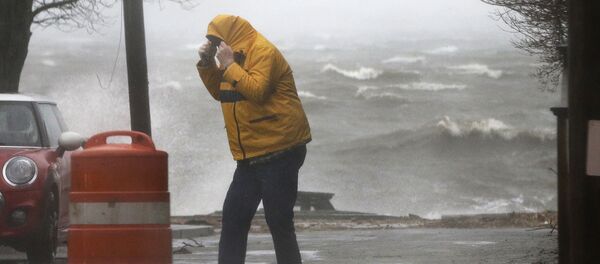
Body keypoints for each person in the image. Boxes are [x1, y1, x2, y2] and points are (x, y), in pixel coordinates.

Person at [196, 15, 311, 264]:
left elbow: (258, 91)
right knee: (234, 219)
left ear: (232, 36)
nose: (218, 47)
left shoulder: (262, 50)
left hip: (281, 150)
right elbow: (221, 92)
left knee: (278, 220)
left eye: (219, 41)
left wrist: (228, 65)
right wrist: (207, 64)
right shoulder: (232, 58)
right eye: (214, 43)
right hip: (249, 158)